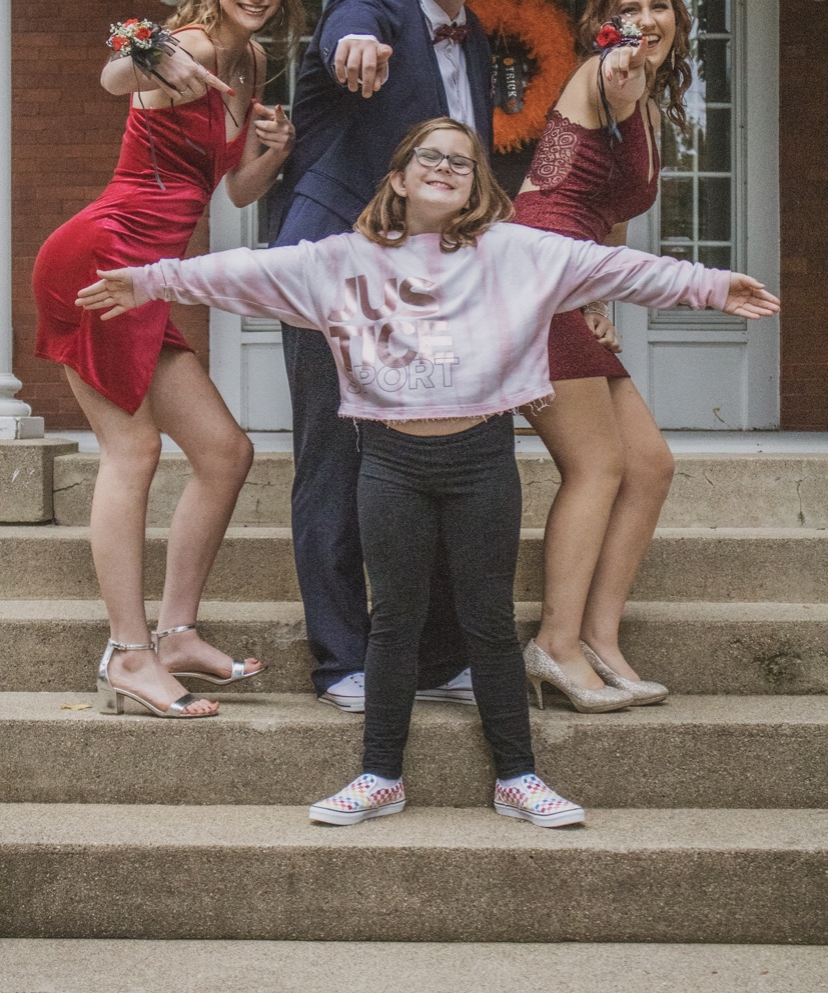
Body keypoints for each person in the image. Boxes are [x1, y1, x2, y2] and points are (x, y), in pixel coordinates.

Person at [76, 117, 779, 824]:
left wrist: (712, 286)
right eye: (429, 157)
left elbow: (623, 268)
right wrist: (148, 281)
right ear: (401, 177)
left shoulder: (517, 252)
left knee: (488, 622)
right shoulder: (339, 261)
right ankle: (380, 776)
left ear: (476, 186)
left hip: (481, 462)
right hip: (389, 463)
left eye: (461, 162)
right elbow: (242, 272)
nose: (445, 167)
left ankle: (519, 779)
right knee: (394, 622)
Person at [32, 0, 305, 718]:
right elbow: (115, 75)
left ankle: (177, 634)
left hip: (146, 282)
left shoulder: (251, 62)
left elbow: (235, 192)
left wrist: (275, 149)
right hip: (100, 261)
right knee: (135, 451)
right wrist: (153, 50)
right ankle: (128, 653)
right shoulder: (186, 42)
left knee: (225, 452)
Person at [268, 0, 515, 712]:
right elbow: (353, 16)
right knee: (335, 460)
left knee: (438, 454)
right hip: (335, 266)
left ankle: (439, 656)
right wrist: (355, 41)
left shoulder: (473, 42)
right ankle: (342, 661)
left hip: (424, 284)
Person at [512, 0, 700, 711]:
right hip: (534, 277)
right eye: (630, 10)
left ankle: (599, 636)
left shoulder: (648, 105)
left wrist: (597, 296)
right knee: (597, 465)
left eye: (660, 6)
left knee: (649, 465)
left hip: (572, 279)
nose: (646, 21)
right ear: (606, 24)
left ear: (678, 18)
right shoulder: (610, 75)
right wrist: (621, 71)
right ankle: (554, 644)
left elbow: (608, 215)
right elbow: (614, 86)